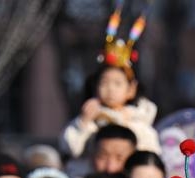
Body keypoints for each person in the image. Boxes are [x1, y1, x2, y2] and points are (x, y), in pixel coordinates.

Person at [60, 6, 160, 160]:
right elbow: (72, 148)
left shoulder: (139, 121)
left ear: (131, 89)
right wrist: (83, 123)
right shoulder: (90, 119)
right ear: (95, 86)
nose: (110, 89)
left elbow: (150, 156)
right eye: (104, 83)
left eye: (118, 84)